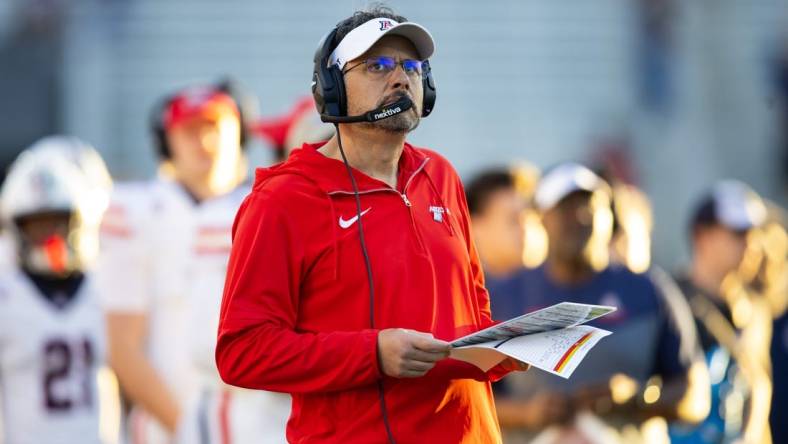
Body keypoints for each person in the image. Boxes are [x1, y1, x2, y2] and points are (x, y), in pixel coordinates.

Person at [215, 6, 528, 443]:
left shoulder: (441, 176)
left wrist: (505, 346)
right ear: (332, 88)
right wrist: (373, 353)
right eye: (378, 65)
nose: (401, 78)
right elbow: (242, 353)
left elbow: (469, 317)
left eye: (412, 66)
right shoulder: (281, 201)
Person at [96, 83, 289, 444]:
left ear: (240, 133)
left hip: (258, 425)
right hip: (162, 427)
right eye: (189, 130)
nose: (204, 141)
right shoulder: (136, 210)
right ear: (166, 140)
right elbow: (121, 345)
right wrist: (187, 429)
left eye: (214, 127)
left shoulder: (265, 207)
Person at [488, 162, 708, 444]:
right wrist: (528, 413)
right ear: (542, 217)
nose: (580, 216)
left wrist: (636, 398)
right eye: (565, 208)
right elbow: (469, 394)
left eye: (591, 206)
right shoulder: (505, 296)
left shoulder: (648, 289)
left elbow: (696, 397)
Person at [0, 137, 114, 444]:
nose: (49, 236)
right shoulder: (7, 297)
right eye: (37, 226)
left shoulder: (103, 286)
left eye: (57, 223)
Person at [671, 180, 773, 444]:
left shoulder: (754, 311)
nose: (750, 244)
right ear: (702, 235)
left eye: (753, 234)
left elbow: (758, 385)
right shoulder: (670, 300)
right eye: (738, 233)